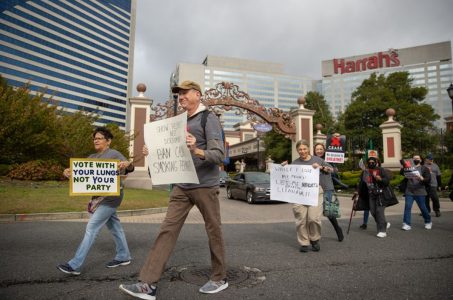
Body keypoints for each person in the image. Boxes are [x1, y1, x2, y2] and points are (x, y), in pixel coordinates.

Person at [119, 81, 227, 300]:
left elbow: (218, 154)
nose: (181, 97)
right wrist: (155, 150)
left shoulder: (209, 118)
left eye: (185, 93)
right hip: (181, 185)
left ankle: (219, 277)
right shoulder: (177, 122)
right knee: (166, 230)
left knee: (213, 230)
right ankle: (147, 285)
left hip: (205, 185)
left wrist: (196, 149)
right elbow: (171, 151)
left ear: (197, 95)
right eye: (178, 95)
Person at [57, 127, 134, 275]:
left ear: (108, 141)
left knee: (91, 228)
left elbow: (130, 167)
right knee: (115, 227)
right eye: (94, 139)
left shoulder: (114, 154)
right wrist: (68, 172)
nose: (96, 140)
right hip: (97, 199)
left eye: (99, 138)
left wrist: (127, 164)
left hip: (111, 198)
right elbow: (81, 174)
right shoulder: (91, 157)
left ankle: (74, 265)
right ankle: (124, 256)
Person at [286, 139, 329, 252]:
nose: (302, 151)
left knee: (313, 219)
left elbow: (332, 170)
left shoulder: (318, 160)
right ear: (297, 150)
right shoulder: (295, 163)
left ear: (309, 149)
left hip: (315, 192)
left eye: (304, 148)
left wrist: (321, 167)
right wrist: (283, 168)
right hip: (299, 193)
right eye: (300, 149)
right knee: (301, 219)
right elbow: (288, 177)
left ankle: (314, 239)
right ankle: (304, 242)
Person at [354, 157, 391, 238]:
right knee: (373, 212)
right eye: (369, 162)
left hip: (381, 194)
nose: (371, 163)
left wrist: (380, 179)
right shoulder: (365, 171)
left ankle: (382, 230)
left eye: (372, 162)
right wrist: (357, 191)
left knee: (379, 211)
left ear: (376, 162)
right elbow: (360, 182)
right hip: (371, 194)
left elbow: (387, 180)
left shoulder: (381, 170)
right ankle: (384, 223)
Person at [314, 143, 344, 242]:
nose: (319, 151)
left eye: (320, 149)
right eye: (317, 149)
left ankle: (337, 229)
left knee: (330, 213)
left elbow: (334, 171)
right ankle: (314, 236)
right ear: (314, 150)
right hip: (315, 190)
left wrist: (321, 167)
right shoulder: (311, 160)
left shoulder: (329, 159)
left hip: (328, 189)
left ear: (324, 150)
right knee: (314, 215)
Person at [401, 155, 432, 231]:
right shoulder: (409, 167)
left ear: (421, 160)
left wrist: (422, 178)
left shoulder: (424, 168)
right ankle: (406, 223)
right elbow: (402, 173)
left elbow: (428, 179)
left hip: (420, 191)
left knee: (422, 207)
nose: (415, 159)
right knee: (407, 207)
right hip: (409, 191)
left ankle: (428, 221)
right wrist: (403, 168)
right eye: (414, 158)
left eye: (417, 158)